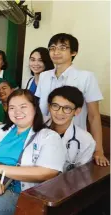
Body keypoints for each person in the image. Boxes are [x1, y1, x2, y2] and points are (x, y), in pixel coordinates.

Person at [36, 33, 108, 166]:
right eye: (52, 48)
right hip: (44, 135)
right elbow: (42, 109)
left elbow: (93, 116)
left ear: (73, 52)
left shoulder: (86, 77)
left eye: (62, 48)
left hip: (73, 139)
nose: (56, 52)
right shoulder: (44, 76)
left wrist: (99, 150)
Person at [47, 86, 96, 171]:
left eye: (67, 108)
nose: (59, 112)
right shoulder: (35, 127)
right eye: (55, 106)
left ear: (77, 111)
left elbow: (82, 176)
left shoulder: (86, 140)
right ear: (49, 106)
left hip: (64, 183)